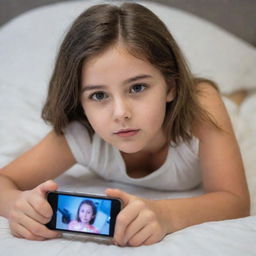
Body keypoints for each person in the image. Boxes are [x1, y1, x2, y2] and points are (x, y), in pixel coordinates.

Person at [0, 2, 250, 247]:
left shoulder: (202, 108)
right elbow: (4, 180)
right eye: (99, 95)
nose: (121, 113)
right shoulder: (81, 132)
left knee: (231, 104)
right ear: (80, 101)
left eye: (137, 87)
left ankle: (238, 96)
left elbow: (235, 200)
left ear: (170, 87)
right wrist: (15, 205)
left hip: (206, 106)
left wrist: (165, 214)